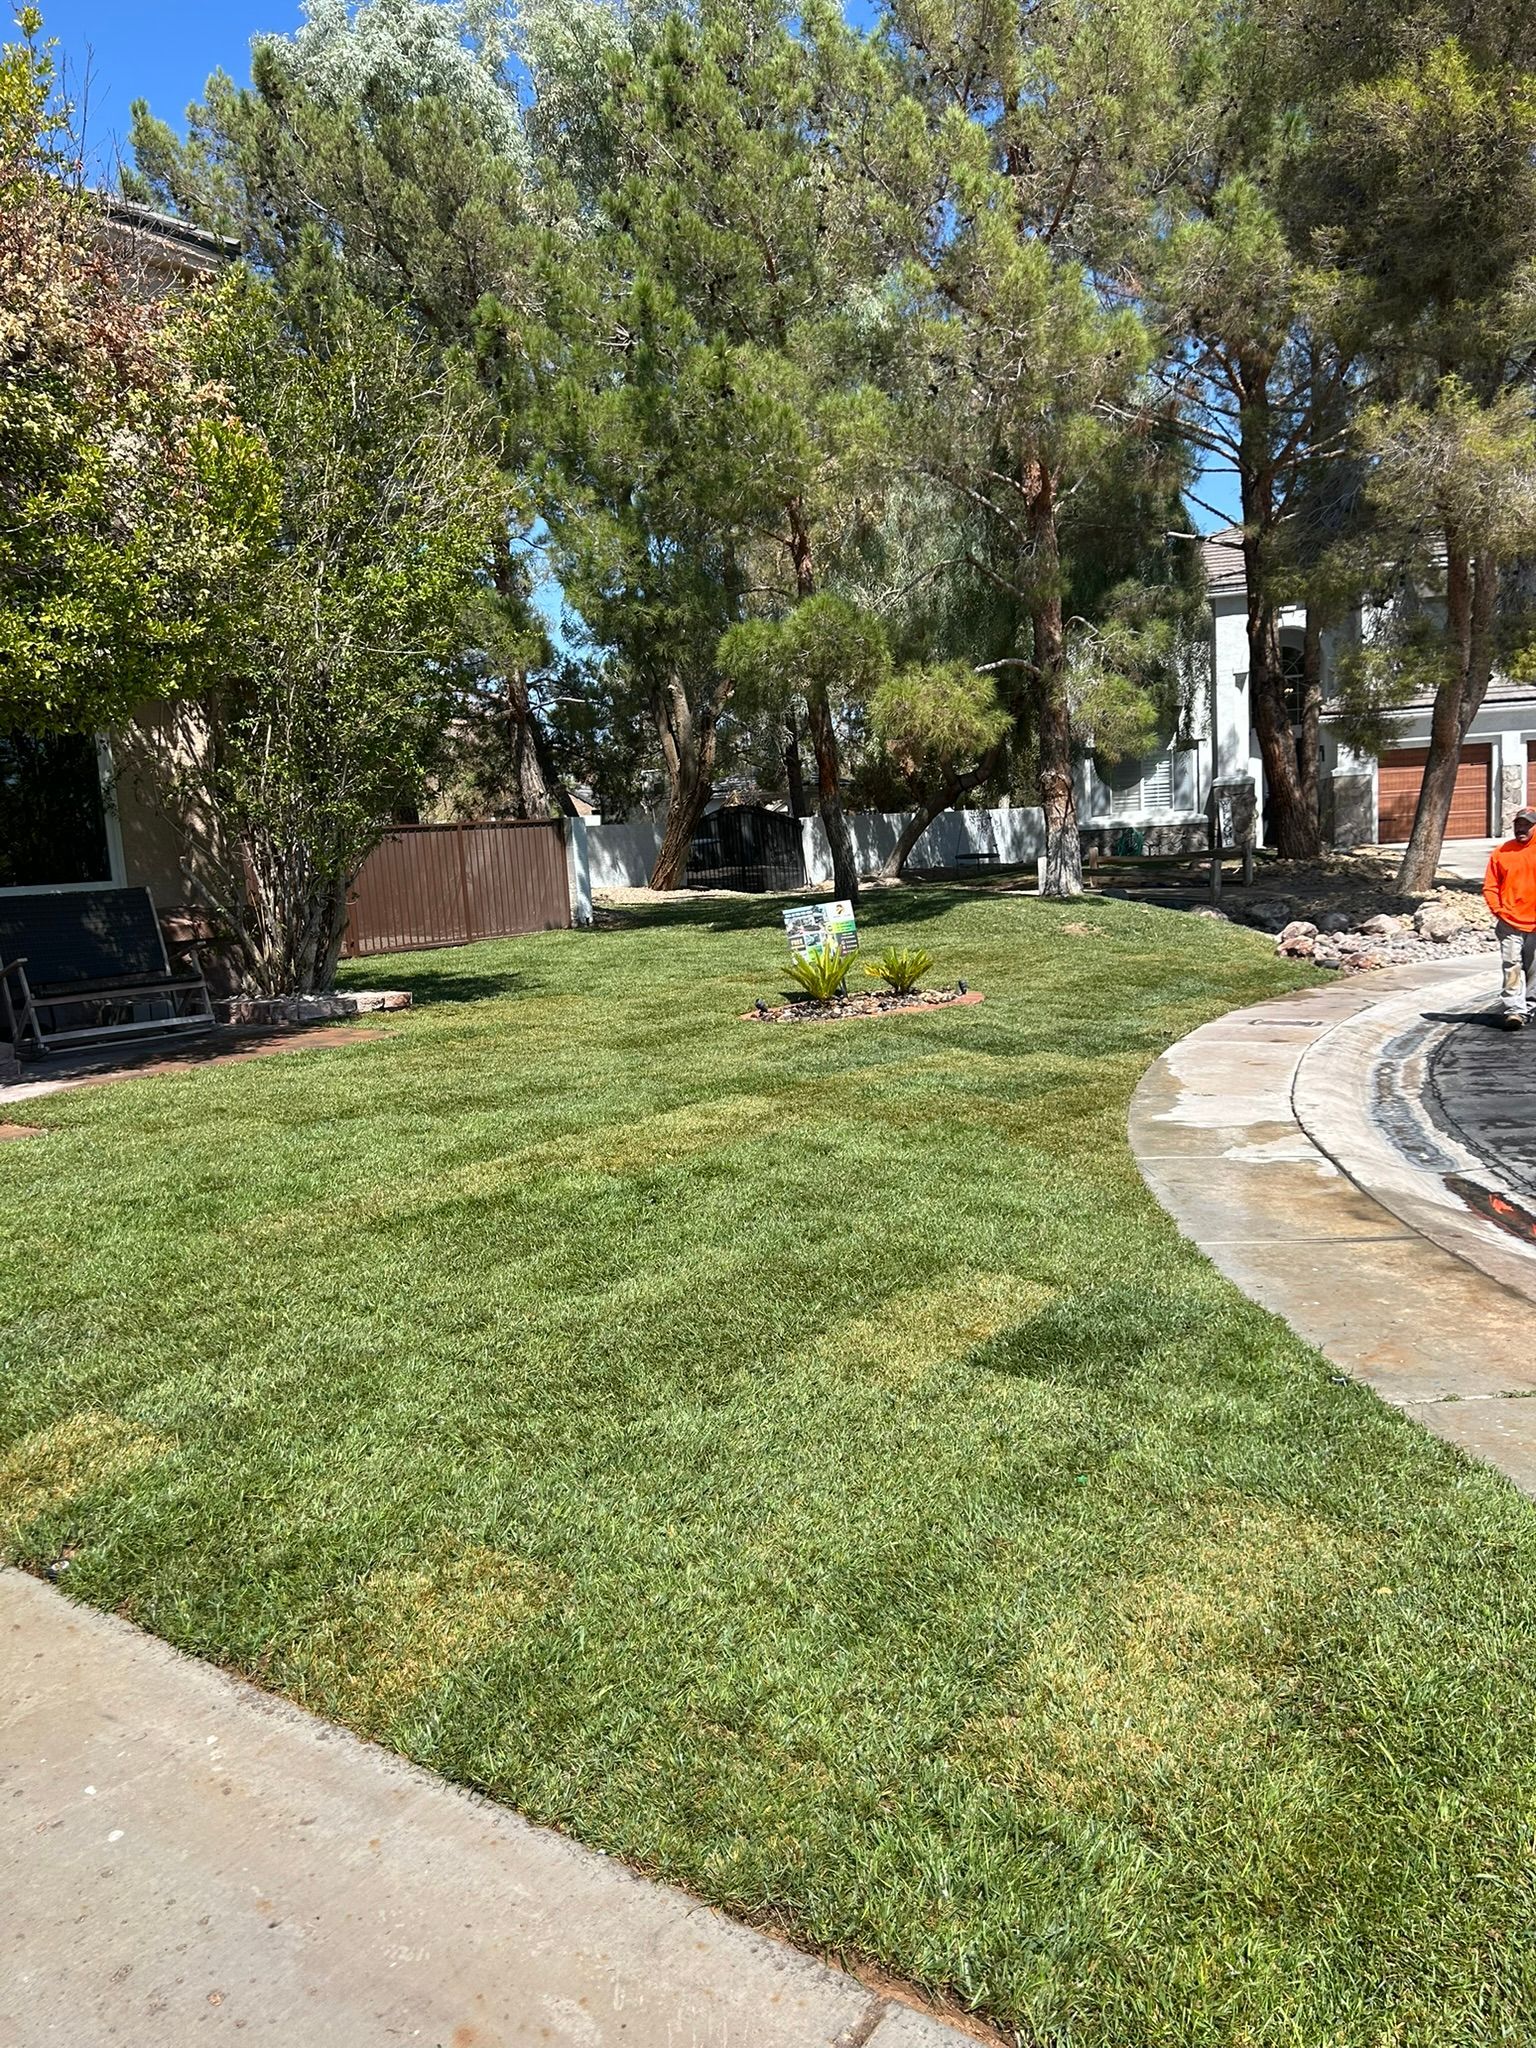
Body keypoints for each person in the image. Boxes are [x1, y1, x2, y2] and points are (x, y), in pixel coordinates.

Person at [1483, 806, 1536, 1028]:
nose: (1521, 829)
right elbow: (1490, 886)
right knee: (1512, 965)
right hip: (1510, 923)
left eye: (1526, 825)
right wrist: (1499, 911)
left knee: (1534, 968)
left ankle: (1530, 1006)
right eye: (1518, 825)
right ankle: (1515, 1009)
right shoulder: (1502, 852)